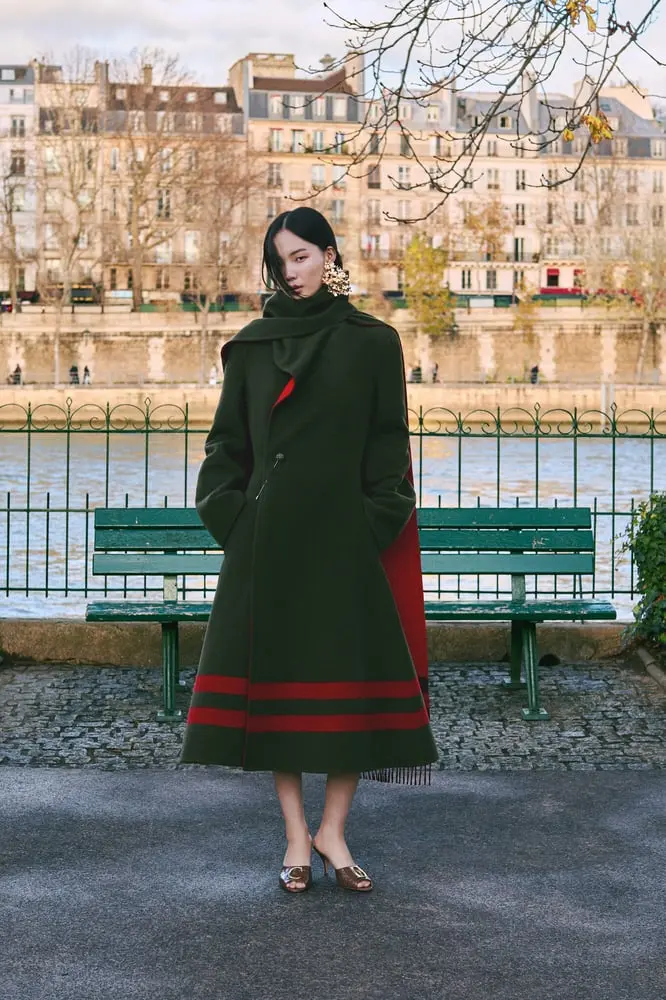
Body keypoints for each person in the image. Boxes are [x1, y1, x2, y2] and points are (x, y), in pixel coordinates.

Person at [180, 206, 438, 894]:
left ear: (330, 255)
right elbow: (223, 452)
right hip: (269, 551)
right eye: (280, 260)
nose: (290, 271)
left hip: (345, 549)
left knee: (348, 698)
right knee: (278, 701)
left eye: (301, 256)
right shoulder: (253, 346)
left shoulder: (374, 343)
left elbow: (390, 457)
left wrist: (368, 526)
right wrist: (238, 523)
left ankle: (334, 831)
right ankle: (297, 837)